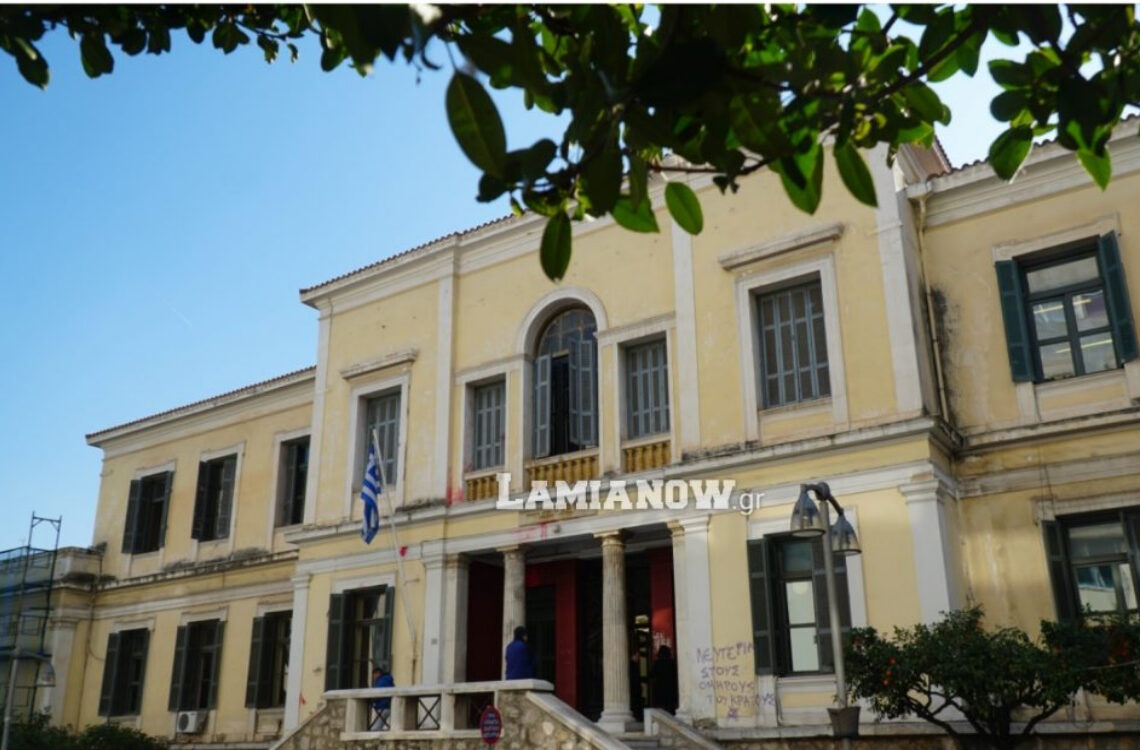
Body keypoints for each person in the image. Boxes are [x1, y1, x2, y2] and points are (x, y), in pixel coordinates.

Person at [650, 646, 678, 714]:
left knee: (661, 710)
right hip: (670, 689)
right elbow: (675, 675)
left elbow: (651, 674)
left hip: (660, 689)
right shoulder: (672, 663)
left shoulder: (657, 663)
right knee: (670, 709)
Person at [370, 664, 395, 730]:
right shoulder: (387, 680)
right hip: (388, 706)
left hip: (383, 707)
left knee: (375, 728)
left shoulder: (382, 682)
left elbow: (377, 694)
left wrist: (372, 701)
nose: (373, 677)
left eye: (374, 675)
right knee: (380, 726)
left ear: (378, 673)